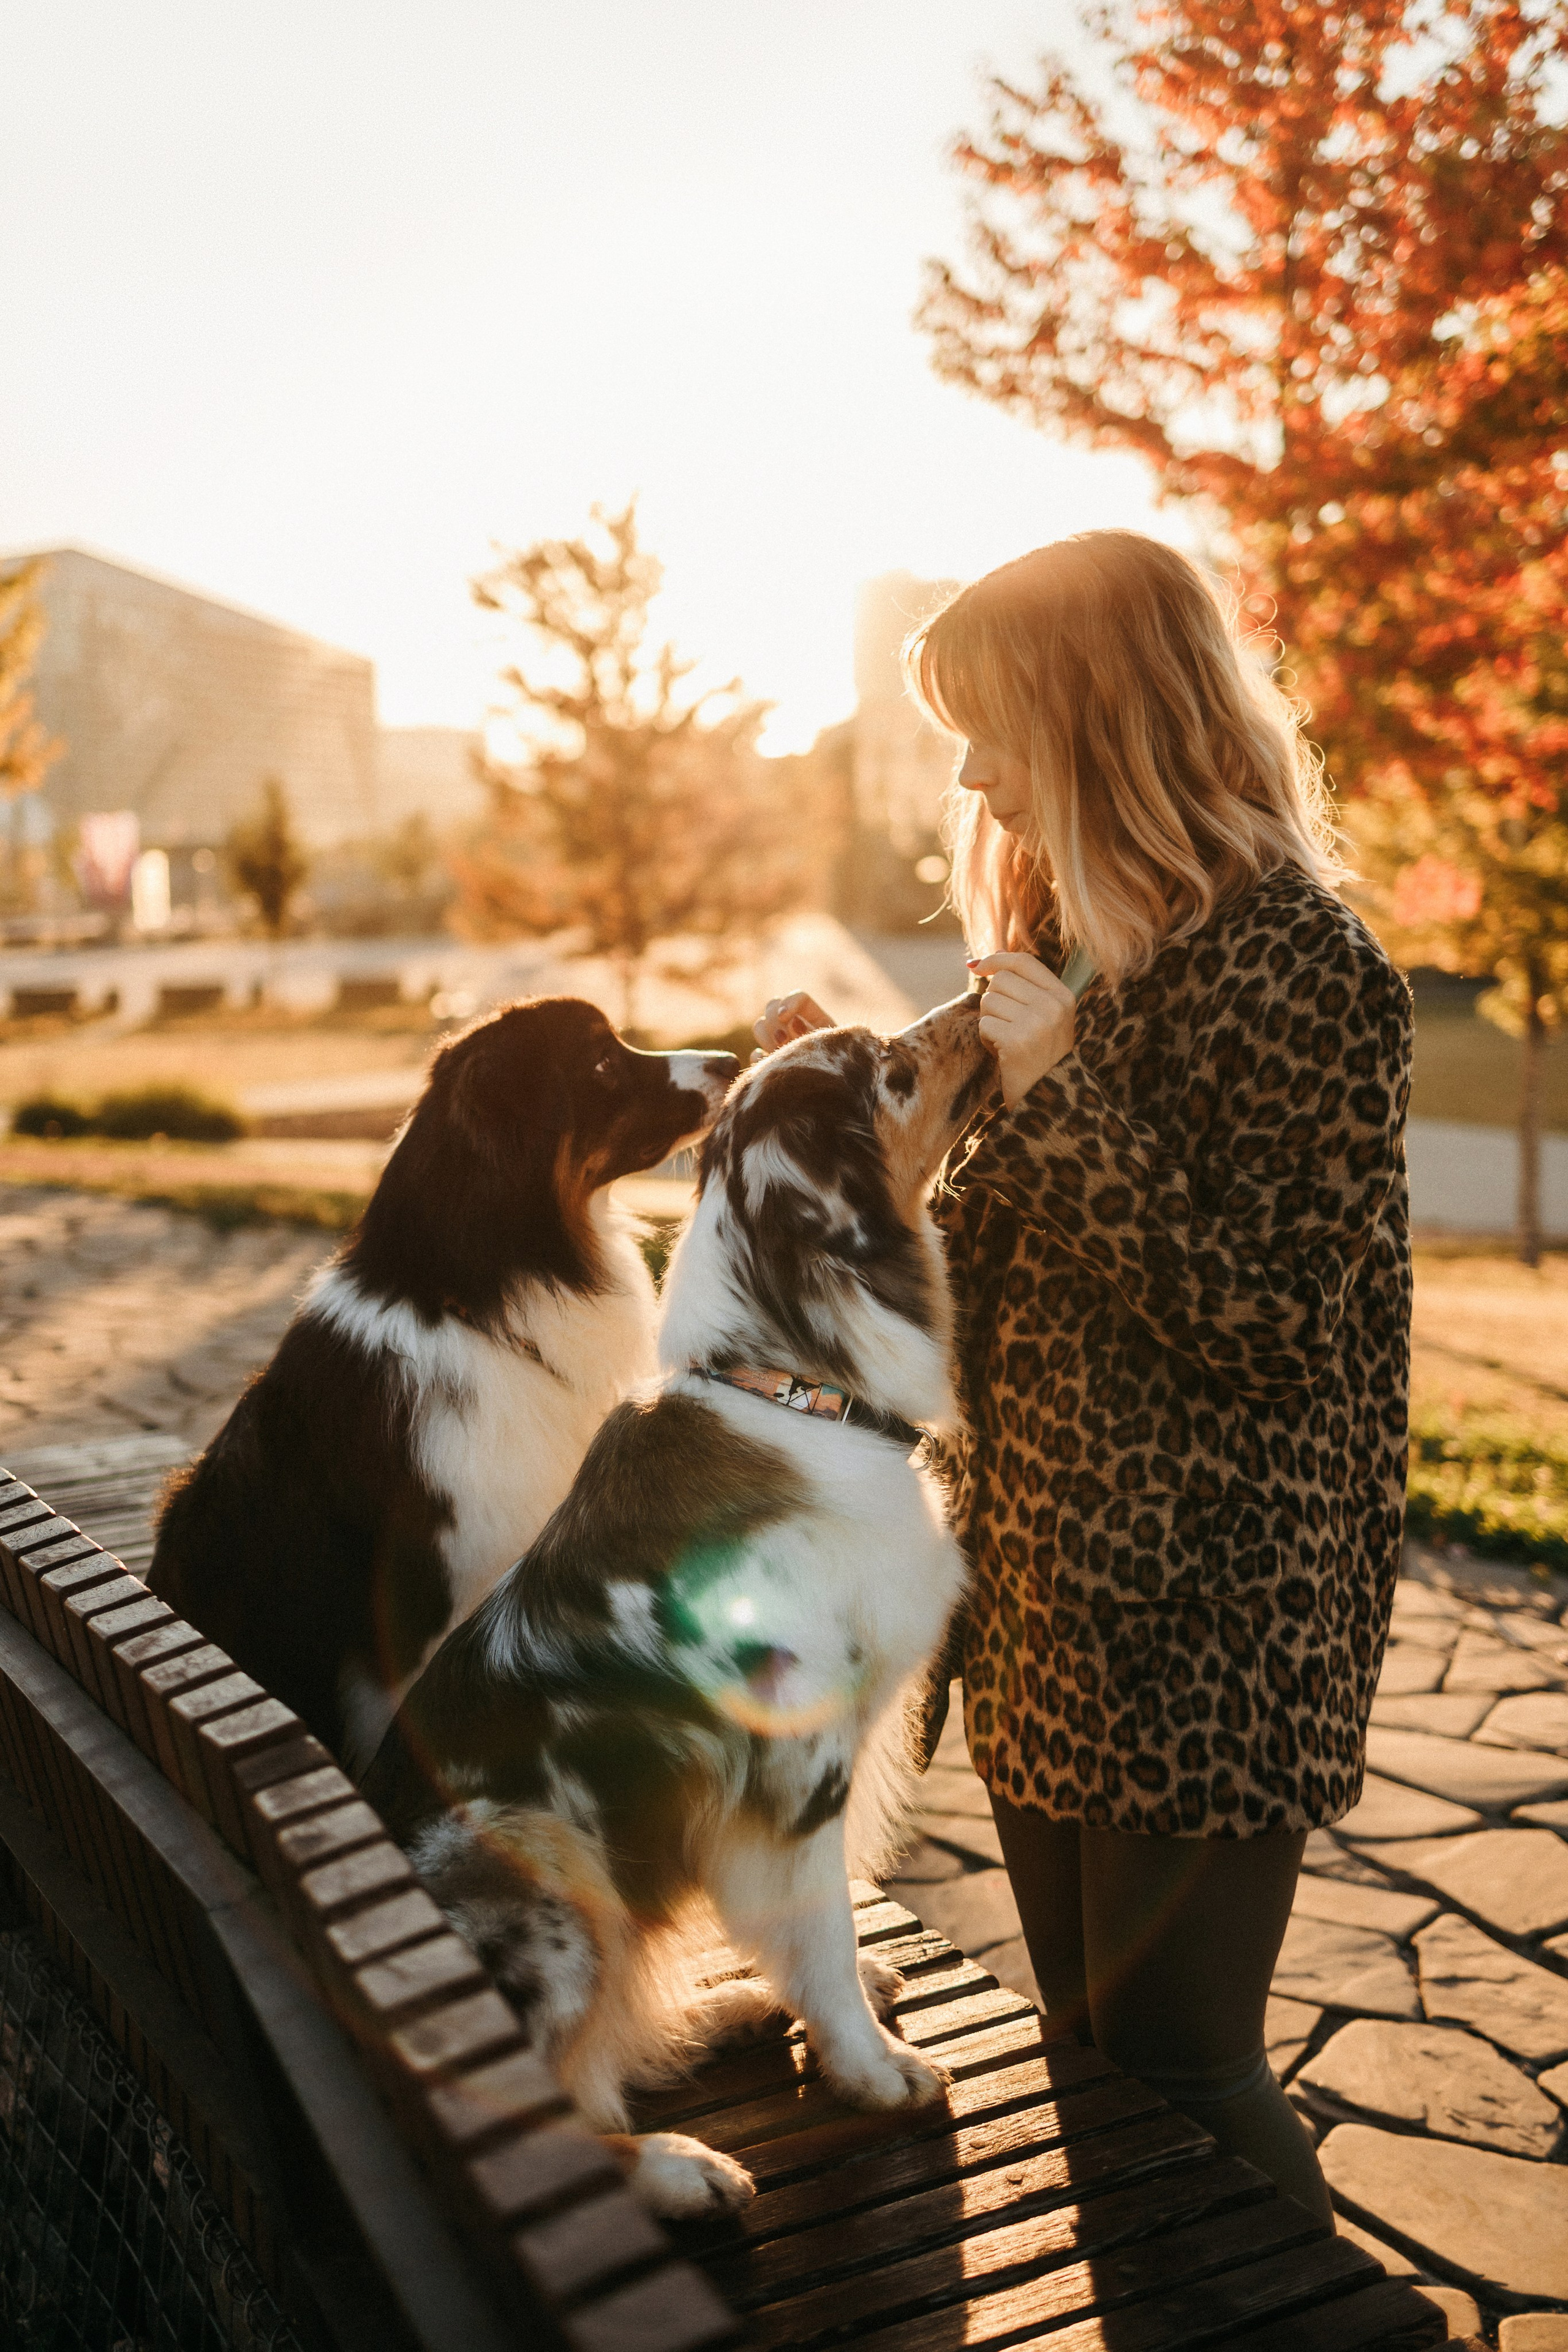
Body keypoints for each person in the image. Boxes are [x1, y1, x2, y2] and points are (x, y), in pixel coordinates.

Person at [753, 530, 1413, 2227]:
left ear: (1104, 722)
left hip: (1215, 1620)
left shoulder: (1312, 973)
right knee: (1092, 2057)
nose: (968, 770)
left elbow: (1271, 1320)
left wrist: (1056, 1102)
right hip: (1046, 1601)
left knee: (1184, 2070)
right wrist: (833, 1095)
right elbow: (979, 1261)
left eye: (993, 727)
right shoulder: (1066, 949)